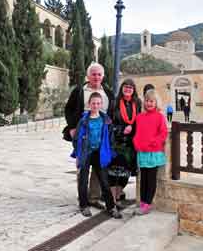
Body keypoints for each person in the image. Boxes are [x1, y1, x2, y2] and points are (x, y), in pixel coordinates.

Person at [63, 63, 114, 210]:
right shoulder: (79, 91)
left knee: (99, 168)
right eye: (93, 74)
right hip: (83, 134)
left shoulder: (108, 93)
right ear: (88, 76)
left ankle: (94, 198)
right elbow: (69, 109)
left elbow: (111, 113)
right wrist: (72, 127)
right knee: (83, 167)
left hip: (101, 135)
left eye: (99, 74)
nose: (96, 77)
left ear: (103, 76)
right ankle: (83, 198)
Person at [72, 92, 121, 219]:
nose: (95, 105)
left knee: (104, 180)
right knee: (83, 179)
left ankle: (111, 206)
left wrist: (109, 153)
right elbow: (76, 139)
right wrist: (78, 155)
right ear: (89, 104)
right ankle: (83, 204)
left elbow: (110, 139)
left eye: (98, 103)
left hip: (99, 153)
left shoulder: (105, 120)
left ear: (101, 104)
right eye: (93, 103)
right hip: (86, 152)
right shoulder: (83, 121)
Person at [133, 89, 168, 215]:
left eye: (152, 101)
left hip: (153, 152)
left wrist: (154, 141)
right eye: (147, 101)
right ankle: (142, 202)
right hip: (142, 152)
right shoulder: (139, 117)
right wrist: (136, 142)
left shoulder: (159, 116)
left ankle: (147, 203)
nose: (149, 103)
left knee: (151, 179)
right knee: (143, 179)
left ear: (156, 102)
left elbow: (163, 132)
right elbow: (137, 133)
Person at [110, 79, 141, 209]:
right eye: (126, 87)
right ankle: (112, 199)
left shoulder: (137, 103)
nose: (128, 89)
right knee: (113, 172)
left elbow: (140, 121)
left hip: (130, 144)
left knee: (125, 172)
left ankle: (118, 194)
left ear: (133, 90)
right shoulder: (114, 103)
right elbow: (109, 123)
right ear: (122, 88)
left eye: (131, 87)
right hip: (116, 143)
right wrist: (121, 129)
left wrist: (133, 130)